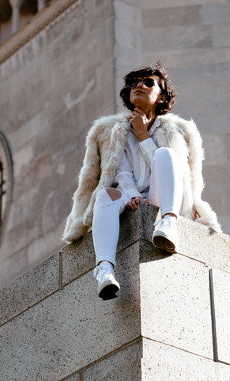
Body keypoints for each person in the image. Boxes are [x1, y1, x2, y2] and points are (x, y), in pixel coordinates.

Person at [62, 63, 221, 299]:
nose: (139, 85)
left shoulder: (180, 129)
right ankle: (104, 269)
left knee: (165, 154)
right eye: (134, 83)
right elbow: (119, 171)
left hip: (166, 198)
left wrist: (144, 135)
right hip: (131, 197)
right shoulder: (112, 130)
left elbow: (176, 171)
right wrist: (132, 195)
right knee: (105, 194)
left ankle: (168, 224)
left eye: (148, 82)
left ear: (161, 96)